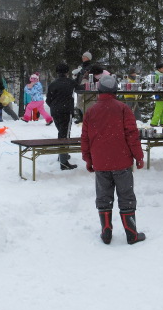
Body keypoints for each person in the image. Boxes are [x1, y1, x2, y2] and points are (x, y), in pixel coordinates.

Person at [81, 74, 146, 245]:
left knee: (104, 197)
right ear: (115, 91)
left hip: (101, 163)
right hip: (122, 162)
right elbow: (132, 135)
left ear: (99, 91)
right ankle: (131, 233)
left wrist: (88, 159)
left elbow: (85, 138)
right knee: (126, 196)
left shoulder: (91, 111)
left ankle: (106, 232)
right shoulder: (124, 109)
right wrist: (138, 157)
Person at [46, 63, 78, 170]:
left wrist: (55, 106)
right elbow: (80, 87)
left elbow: (48, 99)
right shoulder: (70, 82)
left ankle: (62, 154)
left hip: (55, 111)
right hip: (66, 111)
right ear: (67, 72)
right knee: (64, 134)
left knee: (61, 131)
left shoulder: (53, 84)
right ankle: (63, 161)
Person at [72, 52, 94, 123]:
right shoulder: (81, 66)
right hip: (79, 86)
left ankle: (87, 116)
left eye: (84, 56)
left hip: (87, 86)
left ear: (88, 58)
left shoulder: (90, 66)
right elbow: (78, 76)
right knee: (79, 102)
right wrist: (75, 79)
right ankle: (81, 117)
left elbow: (90, 76)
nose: (82, 57)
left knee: (87, 102)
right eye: (82, 56)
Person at [150, 63, 163, 127]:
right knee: (158, 109)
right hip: (159, 94)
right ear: (159, 69)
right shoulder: (156, 75)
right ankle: (154, 122)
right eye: (162, 68)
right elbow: (154, 85)